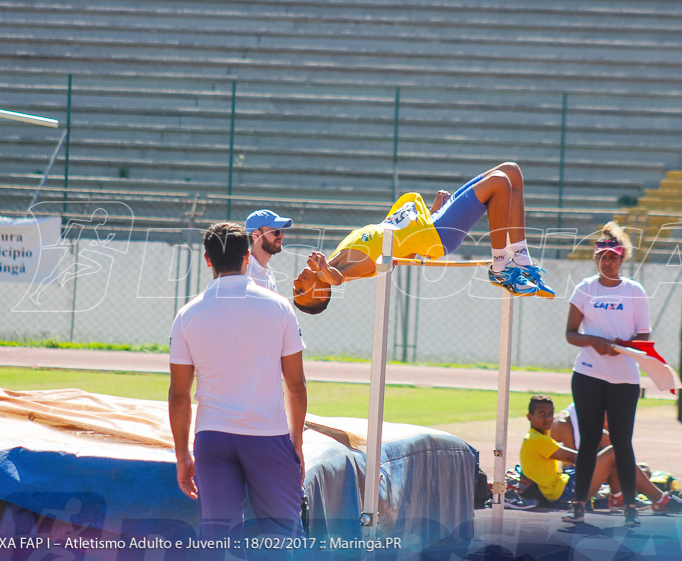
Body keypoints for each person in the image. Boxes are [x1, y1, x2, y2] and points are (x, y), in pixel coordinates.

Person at [168, 221, 308, 551]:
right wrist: (296, 442)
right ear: (248, 256)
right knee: (284, 538)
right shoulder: (278, 307)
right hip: (267, 436)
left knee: (218, 541)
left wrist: (182, 454)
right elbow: (296, 384)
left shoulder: (187, 314)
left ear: (206, 260)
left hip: (212, 439)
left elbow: (178, 394)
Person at [291, 162, 554, 315]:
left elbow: (406, 246)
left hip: (432, 223)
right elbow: (336, 279)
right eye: (301, 290)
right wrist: (326, 271)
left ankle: (522, 260)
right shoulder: (347, 271)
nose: (295, 281)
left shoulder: (341, 251)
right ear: (322, 289)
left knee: (512, 171)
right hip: (438, 235)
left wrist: (432, 211)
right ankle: (500, 267)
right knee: (499, 182)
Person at [564, 222, 650, 526]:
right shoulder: (585, 288)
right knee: (587, 440)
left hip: (625, 378)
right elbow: (571, 334)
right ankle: (578, 504)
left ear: (622, 258)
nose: (606, 261)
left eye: (612, 256)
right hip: (588, 373)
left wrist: (620, 347)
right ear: (596, 258)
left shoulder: (634, 291)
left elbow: (644, 337)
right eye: (601, 256)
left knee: (622, 442)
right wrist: (596, 343)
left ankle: (629, 507)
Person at [521, 395, 682, 517]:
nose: (548, 418)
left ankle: (619, 497)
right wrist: (600, 454)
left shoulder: (538, 438)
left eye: (550, 414)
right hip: (562, 492)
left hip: (564, 483)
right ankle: (660, 500)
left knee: (624, 462)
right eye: (541, 414)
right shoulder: (537, 440)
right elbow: (579, 459)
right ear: (530, 417)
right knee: (613, 452)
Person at [244, 209, 293, 293]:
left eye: (282, 230)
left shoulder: (267, 270)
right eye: (276, 231)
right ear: (256, 235)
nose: (282, 236)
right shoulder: (245, 272)